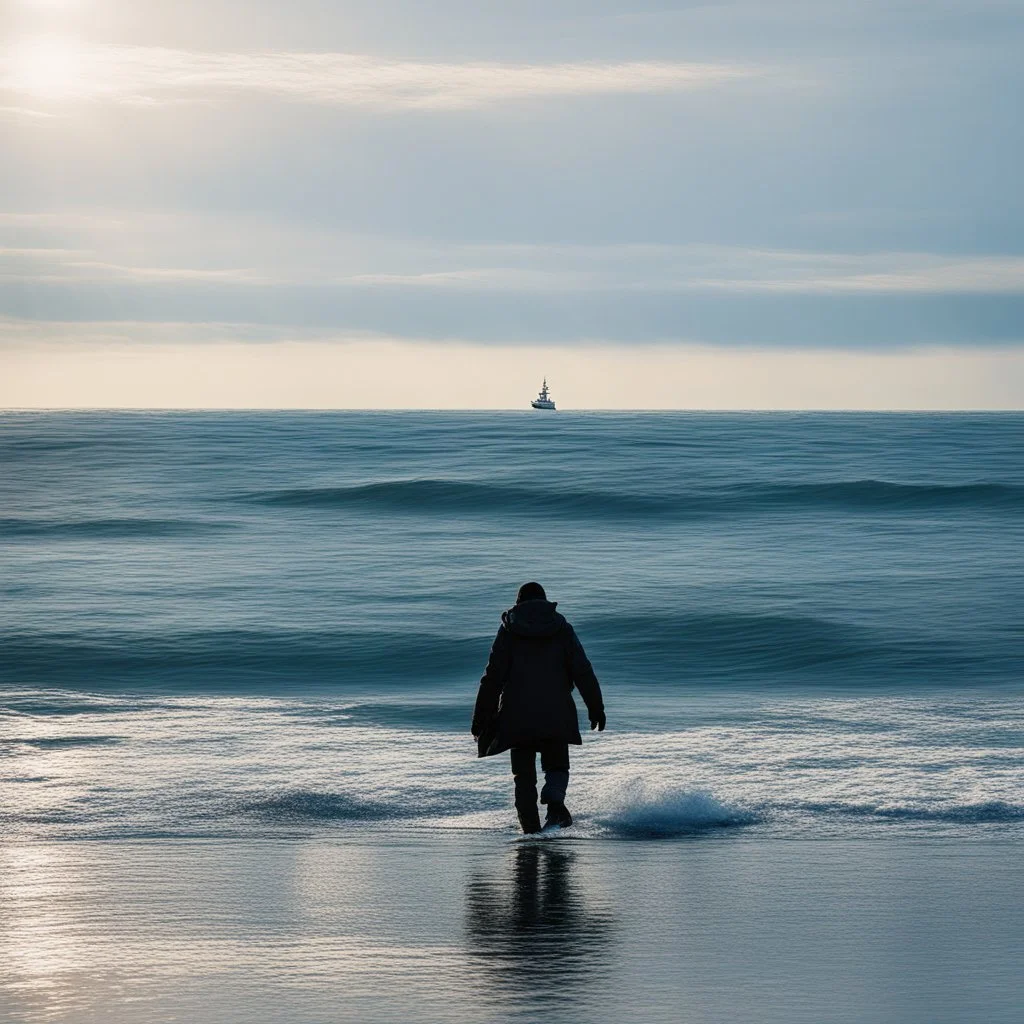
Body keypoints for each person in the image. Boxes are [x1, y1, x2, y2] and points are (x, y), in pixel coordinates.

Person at [472, 582, 606, 834]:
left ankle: (531, 832)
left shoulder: (509, 631)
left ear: (518, 603)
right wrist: (595, 707)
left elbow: (492, 679)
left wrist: (480, 719)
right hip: (556, 713)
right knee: (557, 765)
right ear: (545, 601)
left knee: (523, 777)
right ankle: (555, 805)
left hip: (516, 716)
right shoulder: (561, 629)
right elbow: (582, 671)